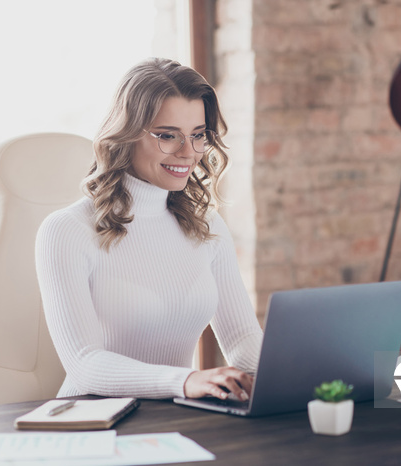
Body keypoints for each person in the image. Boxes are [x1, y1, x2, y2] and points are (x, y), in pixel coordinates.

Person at [35, 58, 263, 403]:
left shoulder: (207, 227)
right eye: (167, 136)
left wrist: (313, 373)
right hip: (90, 421)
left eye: (198, 135)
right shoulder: (66, 230)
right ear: (125, 135)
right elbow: (85, 365)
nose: (188, 153)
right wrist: (186, 381)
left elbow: (243, 339)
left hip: (177, 415)